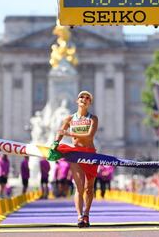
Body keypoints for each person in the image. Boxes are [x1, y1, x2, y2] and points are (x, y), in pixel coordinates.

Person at [48, 91, 99, 228]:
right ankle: (80, 216)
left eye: (88, 98)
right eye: (82, 97)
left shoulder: (93, 118)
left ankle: (87, 213)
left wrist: (69, 133)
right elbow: (60, 132)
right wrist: (55, 144)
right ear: (77, 101)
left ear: (89, 103)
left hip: (90, 154)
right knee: (79, 186)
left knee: (89, 188)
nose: (84, 99)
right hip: (76, 154)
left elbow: (89, 136)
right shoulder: (70, 119)